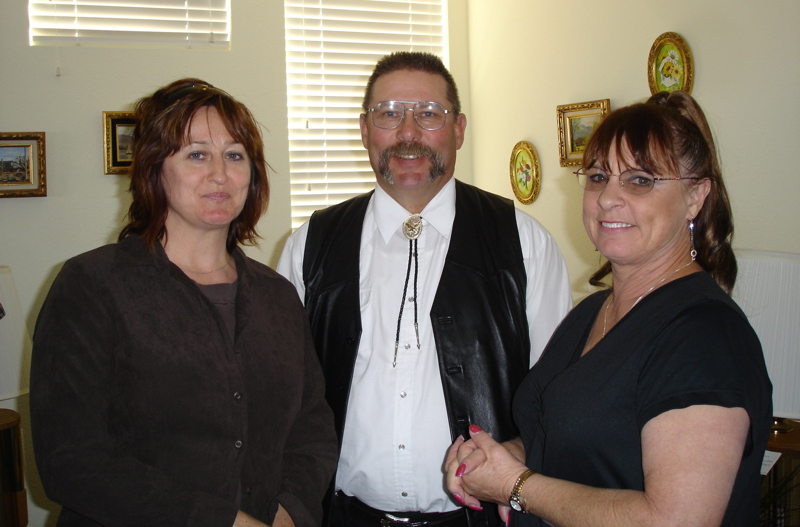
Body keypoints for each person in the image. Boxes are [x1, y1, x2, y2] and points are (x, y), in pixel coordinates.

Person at [445, 91, 772, 527]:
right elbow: (567, 436)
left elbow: (675, 521)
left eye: (640, 180)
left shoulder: (704, 335)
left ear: (696, 197)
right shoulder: (592, 312)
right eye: (598, 176)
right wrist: (499, 457)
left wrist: (516, 486)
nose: (608, 198)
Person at [277, 52, 572, 527]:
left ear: (458, 129)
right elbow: (282, 399)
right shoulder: (309, 246)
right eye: (389, 114)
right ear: (364, 128)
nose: (408, 133)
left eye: (429, 114)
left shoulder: (523, 242)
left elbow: (556, 397)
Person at [30, 78, 337, 527]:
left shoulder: (277, 295)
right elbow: (71, 460)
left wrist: (290, 512)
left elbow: (312, 430)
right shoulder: (92, 286)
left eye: (235, 155)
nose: (220, 174)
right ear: (155, 168)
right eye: (196, 154)